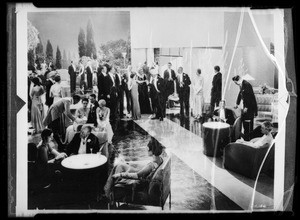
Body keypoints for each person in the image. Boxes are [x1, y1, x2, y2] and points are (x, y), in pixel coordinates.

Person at [232, 75, 258, 140]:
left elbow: (249, 98)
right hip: (246, 106)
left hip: (250, 107)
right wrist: (237, 104)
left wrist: (246, 107)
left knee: (248, 123)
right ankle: (246, 137)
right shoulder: (242, 84)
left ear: (238, 80)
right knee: (245, 122)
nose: (235, 84)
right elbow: (240, 94)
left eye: (235, 82)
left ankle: (249, 139)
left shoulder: (246, 84)